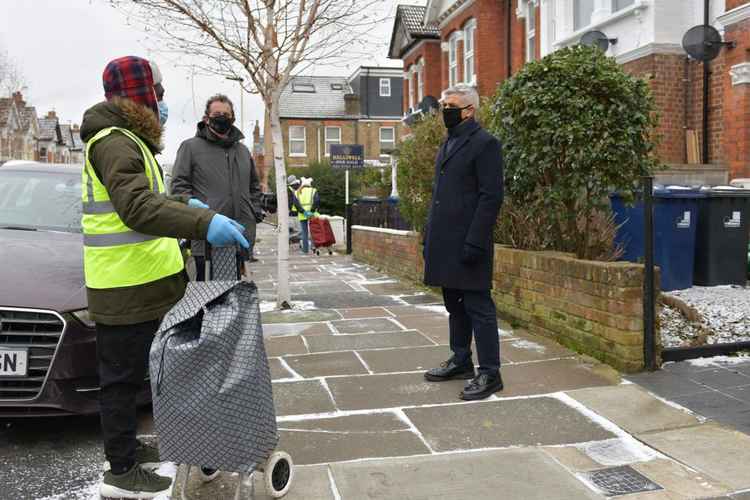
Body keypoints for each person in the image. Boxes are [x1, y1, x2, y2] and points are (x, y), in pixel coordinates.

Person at [80, 56, 249, 498]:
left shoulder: (132, 141)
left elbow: (149, 199)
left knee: (158, 372)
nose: (162, 98)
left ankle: (134, 450)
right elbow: (135, 208)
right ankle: (120, 472)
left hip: (150, 283)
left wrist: (186, 209)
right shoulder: (114, 142)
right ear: (140, 92)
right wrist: (202, 223)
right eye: (157, 88)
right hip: (125, 287)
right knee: (121, 380)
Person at [422, 84, 505, 401]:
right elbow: (440, 197)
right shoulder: (449, 142)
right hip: (444, 241)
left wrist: (475, 242)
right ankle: (461, 360)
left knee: (478, 307)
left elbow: (491, 197)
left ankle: (490, 373)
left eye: (450, 105)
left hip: (469, 242)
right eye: (444, 104)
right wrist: (430, 235)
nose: (444, 110)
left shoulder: (485, 144)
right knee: (454, 304)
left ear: (469, 110)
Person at [171, 94, 263, 275]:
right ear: (206, 118)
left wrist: (254, 211)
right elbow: (179, 189)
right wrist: (197, 217)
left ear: (233, 118)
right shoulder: (190, 147)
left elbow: (254, 187)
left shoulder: (243, 151)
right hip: (206, 240)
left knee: (236, 295)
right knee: (209, 296)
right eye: (217, 113)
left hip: (240, 238)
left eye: (226, 114)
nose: (222, 117)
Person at [297, 176, 320, 254]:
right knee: (314, 231)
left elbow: (296, 204)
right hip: (312, 214)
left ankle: (305, 250)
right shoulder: (314, 190)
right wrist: (311, 211)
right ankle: (314, 247)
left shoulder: (298, 191)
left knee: (304, 233)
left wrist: (303, 212)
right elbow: (317, 201)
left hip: (302, 214)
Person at [286, 175, 305, 240]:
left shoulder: (291, 191)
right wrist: (302, 211)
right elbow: (293, 203)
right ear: (292, 185)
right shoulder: (289, 192)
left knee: (294, 230)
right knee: (297, 231)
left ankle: (291, 240)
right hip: (292, 214)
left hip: (293, 214)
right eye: (296, 184)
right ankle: (290, 240)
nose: (297, 186)